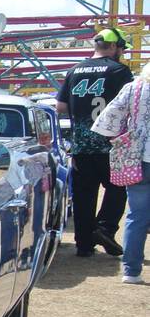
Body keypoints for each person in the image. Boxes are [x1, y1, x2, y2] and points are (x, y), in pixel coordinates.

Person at [58, 28, 135, 257]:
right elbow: (128, 104)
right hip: (110, 145)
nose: (121, 52)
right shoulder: (119, 70)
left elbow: (60, 107)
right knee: (118, 187)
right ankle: (105, 227)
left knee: (83, 195)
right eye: (121, 48)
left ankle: (83, 244)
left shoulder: (74, 70)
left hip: (81, 145)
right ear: (112, 46)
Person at [91, 60, 150, 283]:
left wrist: (119, 138)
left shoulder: (134, 88)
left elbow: (107, 118)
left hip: (136, 158)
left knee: (136, 216)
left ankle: (131, 271)